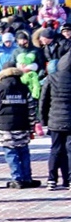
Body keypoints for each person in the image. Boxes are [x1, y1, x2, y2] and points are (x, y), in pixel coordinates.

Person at [0, 67, 40, 188]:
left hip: (5, 127)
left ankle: (17, 178)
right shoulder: (24, 88)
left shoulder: (0, 88)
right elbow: (31, 110)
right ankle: (27, 178)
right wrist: (32, 126)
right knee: (24, 152)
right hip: (22, 125)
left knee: (11, 152)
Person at [41, 51, 71, 189]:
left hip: (55, 119)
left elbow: (44, 101)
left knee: (55, 149)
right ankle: (69, 179)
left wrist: (43, 120)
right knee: (70, 150)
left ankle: (51, 179)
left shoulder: (51, 78)